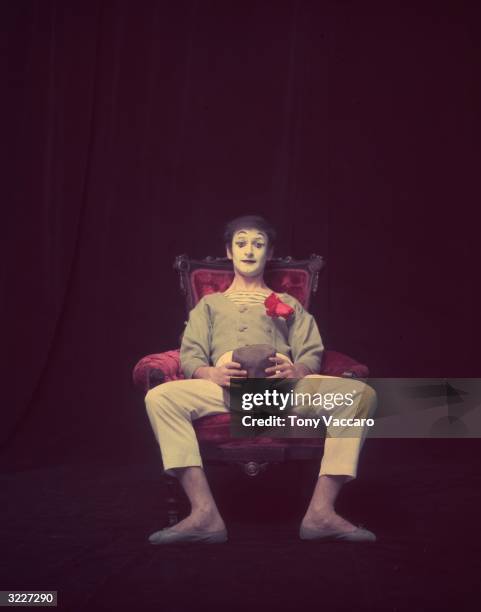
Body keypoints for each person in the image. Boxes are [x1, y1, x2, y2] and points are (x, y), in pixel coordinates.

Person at [145, 215, 377, 544]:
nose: (249, 250)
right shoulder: (209, 305)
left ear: (269, 253)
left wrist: (299, 370)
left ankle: (321, 513)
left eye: (258, 243)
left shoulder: (289, 303)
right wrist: (210, 372)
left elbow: (311, 350)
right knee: (159, 398)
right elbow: (191, 354)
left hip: (281, 393)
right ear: (229, 251)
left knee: (361, 395)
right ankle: (203, 515)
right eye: (241, 243)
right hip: (225, 392)